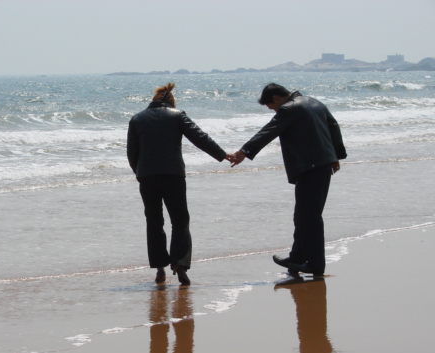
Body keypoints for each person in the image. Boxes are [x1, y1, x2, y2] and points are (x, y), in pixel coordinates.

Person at [231, 83, 346, 276]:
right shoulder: (314, 102)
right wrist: (335, 156)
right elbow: (333, 127)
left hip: (310, 166)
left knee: (309, 217)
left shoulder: (289, 108)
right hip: (322, 165)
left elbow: (269, 131)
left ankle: (316, 265)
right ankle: (297, 258)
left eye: (272, 107)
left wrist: (244, 151)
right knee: (304, 215)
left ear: (276, 98)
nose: (274, 111)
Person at [127, 83, 233, 285]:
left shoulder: (137, 119)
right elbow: (200, 138)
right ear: (171, 101)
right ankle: (180, 265)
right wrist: (222, 155)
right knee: (180, 220)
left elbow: (132, 152)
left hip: (147, 177)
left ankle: (160, 268)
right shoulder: (177, 115)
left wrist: (139, 172)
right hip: (173, 174)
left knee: (154, 222)